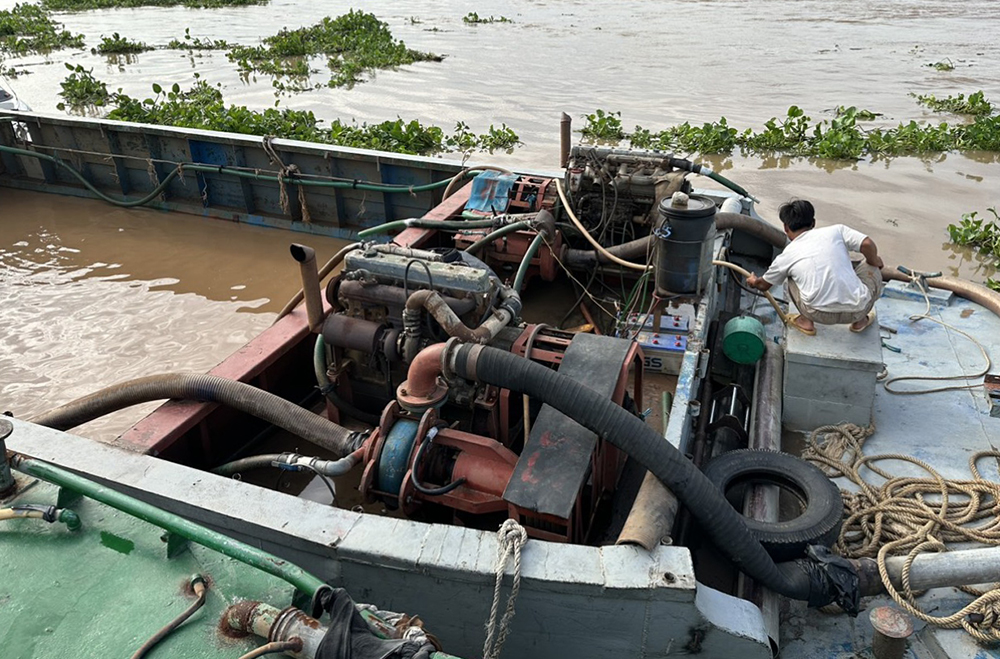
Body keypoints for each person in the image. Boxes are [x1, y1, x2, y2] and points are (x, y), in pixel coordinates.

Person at [745, 199, 884, 336]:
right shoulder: (837, 231)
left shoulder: (786, 255)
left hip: (817, 313)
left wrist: (753, 281)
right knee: (871, 264)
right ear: (813, 223)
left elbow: (763, 285)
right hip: (858, 309)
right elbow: (867, 244)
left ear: (786, 228)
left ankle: (806, 322)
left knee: (790, 275)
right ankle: (860, 322)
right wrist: (875, 260)